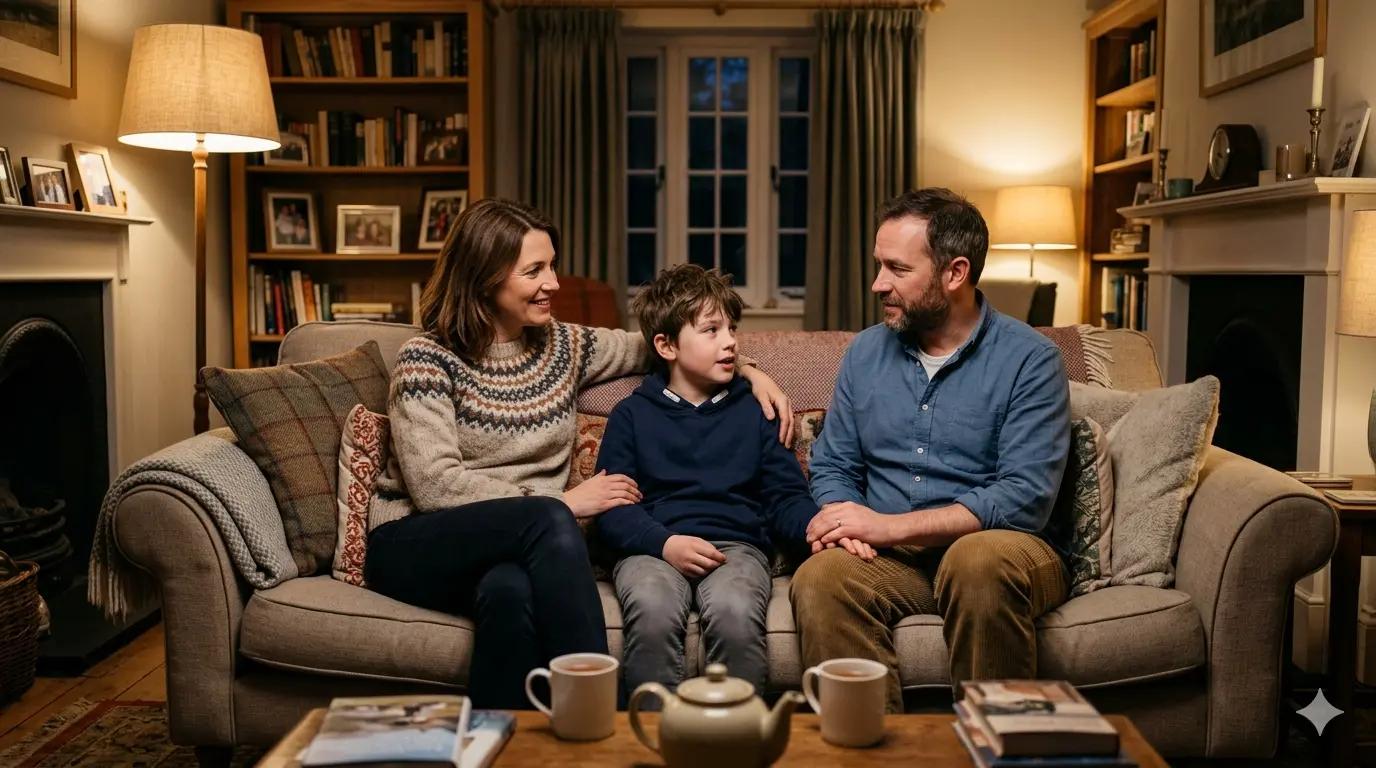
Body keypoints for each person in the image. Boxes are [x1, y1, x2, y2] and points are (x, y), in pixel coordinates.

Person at [363, 198, 795, 709]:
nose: (554, 283)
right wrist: (565, 504)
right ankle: (601, 713)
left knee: (508, 595)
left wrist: (747, 370)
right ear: (484, 276)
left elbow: (668, 345)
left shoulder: (562, 346)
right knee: (548, 517)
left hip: (515, 550)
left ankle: (504, 741)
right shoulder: (426, 360)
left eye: (552, 265)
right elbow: (437, 486)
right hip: (417, 543)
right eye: (535, 270)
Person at [788, 187, 1071, 713]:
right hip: (891, 561)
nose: (878, 284)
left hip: (1003, 549)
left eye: (897, 269)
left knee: (978, 561)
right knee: (821, 576)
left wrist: (888, 526)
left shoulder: (1031, 361)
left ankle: (996, 744)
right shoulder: (866, 353)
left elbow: (1023, 497)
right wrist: (844, 520)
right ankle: (870, 753)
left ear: (955, 273)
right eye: (879, 266)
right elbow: (833, 464)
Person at [595, 265, 820, 697]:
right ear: (666, 345)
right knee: (653, 608)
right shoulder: (632, 415)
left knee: (735, 613)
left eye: (732, 328)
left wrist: (817, 527)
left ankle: (734, 739)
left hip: (735, 548)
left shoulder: (756, 410)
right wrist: (665, 544)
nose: (731, 341)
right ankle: (652, 741)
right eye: (711, 330)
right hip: (653, 547)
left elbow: (785, 495)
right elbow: (614, 510)